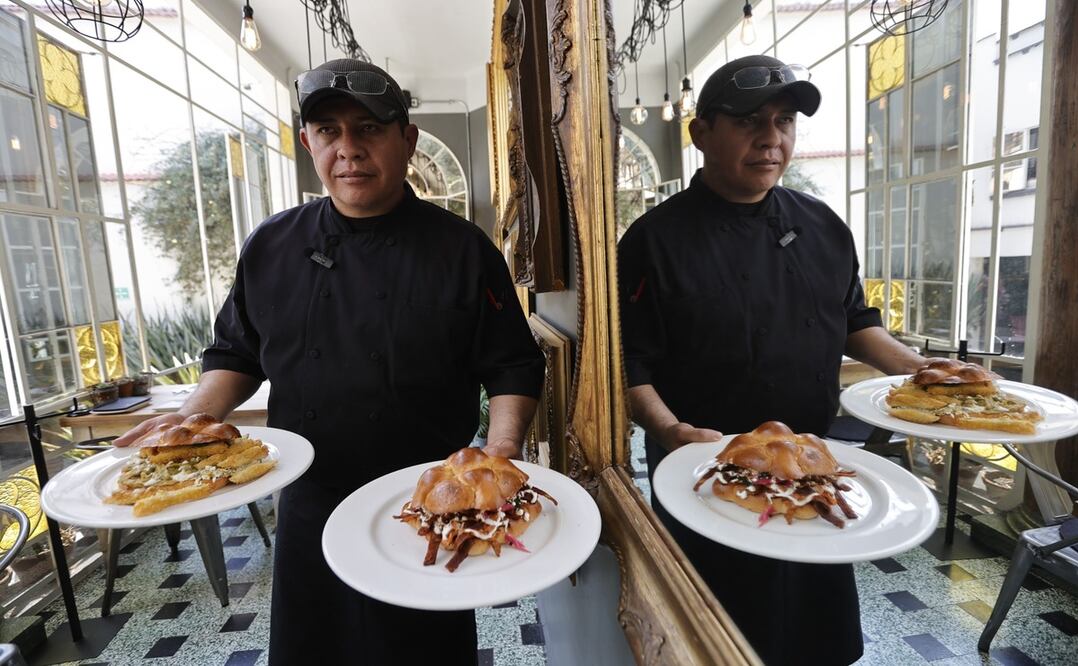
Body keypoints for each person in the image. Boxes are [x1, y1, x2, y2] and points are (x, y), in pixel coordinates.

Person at [115, 59, 545, 665]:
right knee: (314, 648)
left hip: (425, 497)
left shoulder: (462, 248)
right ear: (307, 143)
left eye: (369, 129)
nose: (349, 149)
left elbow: (510, 364)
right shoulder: (272, 245)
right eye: (328, 132)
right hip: (309, 499)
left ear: (407, 139)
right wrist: (191, 421)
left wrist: (501, 447)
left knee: (422, 653)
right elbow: (236, 351)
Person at [618, 54, 926, 666]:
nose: (771, 138)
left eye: (784, 121)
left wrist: (921, 373)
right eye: (748, 121)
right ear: (701, 132)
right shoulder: (651, 241)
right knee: (720, 640)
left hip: (814, 466)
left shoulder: (823, 226)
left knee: (817, 635)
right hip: (706, 477)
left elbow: (855, 321)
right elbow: (630, 364)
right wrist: (670, 430)